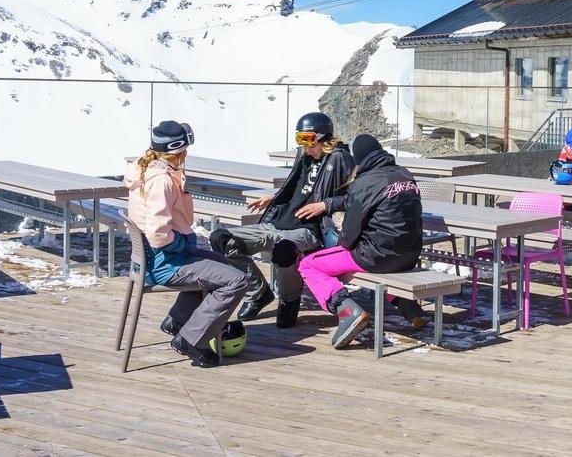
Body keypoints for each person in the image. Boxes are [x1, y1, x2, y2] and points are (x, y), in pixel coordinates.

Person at [123, 120, 266, 368]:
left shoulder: (143, 169)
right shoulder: (162, 181)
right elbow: (158, 234)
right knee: (235, 281)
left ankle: (178, 321)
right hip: (166, 262)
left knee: (224, 265)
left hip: (151, 259)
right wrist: (181, 243)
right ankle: (191, 340)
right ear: (179, 150)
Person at [209, 111, 353, 329]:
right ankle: (258, 292)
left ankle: (289, 300)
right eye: (299, 139)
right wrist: (274, 198)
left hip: (306, 230)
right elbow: (295, 188)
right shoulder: (303, 156)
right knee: (221, 238)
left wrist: (325, 205)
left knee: (284, 250)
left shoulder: (339, 159)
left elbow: (355, 196)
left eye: (308, 139)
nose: (304, 145)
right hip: (276, 221)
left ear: (323, 138)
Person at [297, 134, 425, 348]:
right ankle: (408, 307)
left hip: (376, 257)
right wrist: (328, 204)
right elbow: (361, 200)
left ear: (360, 159)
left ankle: (346, 311)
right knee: (386, 251)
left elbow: (348, 238)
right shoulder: (404, 175)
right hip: (410, 254)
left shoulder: (365, 182)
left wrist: (338, 240)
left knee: (309, 264)